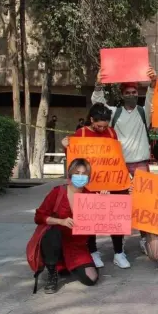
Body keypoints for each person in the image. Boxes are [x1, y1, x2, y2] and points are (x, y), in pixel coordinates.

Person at [61, 103, 131, 269]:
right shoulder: (81, 133)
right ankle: (92, 251)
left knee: (116, 216)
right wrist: (64, 146)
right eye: (99, 125)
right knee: (90, 217)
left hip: (112, 182)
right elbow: (74, 160)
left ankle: (119, 252)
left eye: (105, 125)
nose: (102, 128)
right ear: (91, 120)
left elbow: (116, 158)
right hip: (90, 184)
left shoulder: (112, 132)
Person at [34, 158, 98, 294]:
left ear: (88, 177)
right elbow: (39, 217)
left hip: (77, 246)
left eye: (84, 174)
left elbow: (101, 220)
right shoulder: (57, 192)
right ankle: (52, 271)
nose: (80, 176)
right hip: (56, 241)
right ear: (70, 174)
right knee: (52, 233)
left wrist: (106, 199)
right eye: (77, 173)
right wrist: (60, 221)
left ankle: (68, 266)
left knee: (91, 279)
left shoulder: (91, 196)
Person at [92, 66, 157, 174]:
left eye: (134, 92)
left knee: (139, 192)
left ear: (138, 94)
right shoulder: (114, 113)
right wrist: (98, 84)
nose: (131, 95)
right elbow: (98, 103)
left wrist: (153, 82)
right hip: (118, 164)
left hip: (141, 165)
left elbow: (151, 98)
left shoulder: (144, 112)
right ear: (122, 95)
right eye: (127, 93)